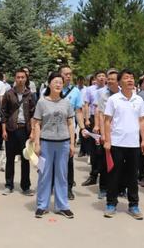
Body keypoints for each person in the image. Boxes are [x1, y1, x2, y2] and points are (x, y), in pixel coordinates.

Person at [103, 69, 144, 219]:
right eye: (126, 78)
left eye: (132, 78)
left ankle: (133, 205)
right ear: (119, 82)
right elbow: (107, 121)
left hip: (133, 144)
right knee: (114, 175)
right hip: (116, 143)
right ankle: (111, 203)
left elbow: (142, 121)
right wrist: (107, 140)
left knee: (132, 176)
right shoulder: (113, 99)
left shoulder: (138, 100)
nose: (130, 80)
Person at [33, 72, 76, 219]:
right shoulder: (42, 102)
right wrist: (37, 144)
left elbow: (70, 123)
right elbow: (37, 124)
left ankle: (62, 206)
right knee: (44, 175)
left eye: (61, 82)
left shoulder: (66, 102)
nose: (58, 84)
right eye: (55, 81)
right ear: (49, 84)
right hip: (46, 144)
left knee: (62, 175)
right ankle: (42, 205)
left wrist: (72, 143)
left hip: (63, 144)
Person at [1, 69, 36, 195]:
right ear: (15, 79)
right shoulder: (9, 94)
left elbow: (33, 114)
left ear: (26, 79)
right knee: (10, 158)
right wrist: (4, 130)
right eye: (18, 77)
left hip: (25, 130)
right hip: (11, 129)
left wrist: (32, 131)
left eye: (23, 77)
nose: (20, 79)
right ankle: (8, 185)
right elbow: (3, 113)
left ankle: (25, 186)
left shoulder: (30, 95)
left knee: (25, 158)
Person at [94, 69, 120, 199]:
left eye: (112, 79)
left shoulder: (125, 94)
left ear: (118, 81)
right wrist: (103, 134)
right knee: (105, 162)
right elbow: (101, 115)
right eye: (108, 79)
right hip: (108, 131)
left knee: (120, 162)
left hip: (120, 133)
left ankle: (121, 188)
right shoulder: (104, 95)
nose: (109, 81)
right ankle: (103, 188)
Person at [59, 65, 84, 200]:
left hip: (68, 132)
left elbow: (78, 112)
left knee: (69, 161)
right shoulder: (49, 90)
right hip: (51, 132)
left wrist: (82, 127)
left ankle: (68, 188)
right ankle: (53, 185)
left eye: (70, 74)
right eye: (66, 74)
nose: (68, 76)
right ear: (60, 75)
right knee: (52, 161)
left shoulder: (75, 92)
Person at [82, 70, 106, 187]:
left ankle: (105, 175)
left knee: (103, 149)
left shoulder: (108, 90)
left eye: (103, 76)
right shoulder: (90, 89)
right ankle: (94, 175)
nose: (101, 78)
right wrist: (86, 119)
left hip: (106, 120)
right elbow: (86, 104)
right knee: (94, 149)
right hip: (93, 120)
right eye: (99, 76)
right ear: (95, 79)